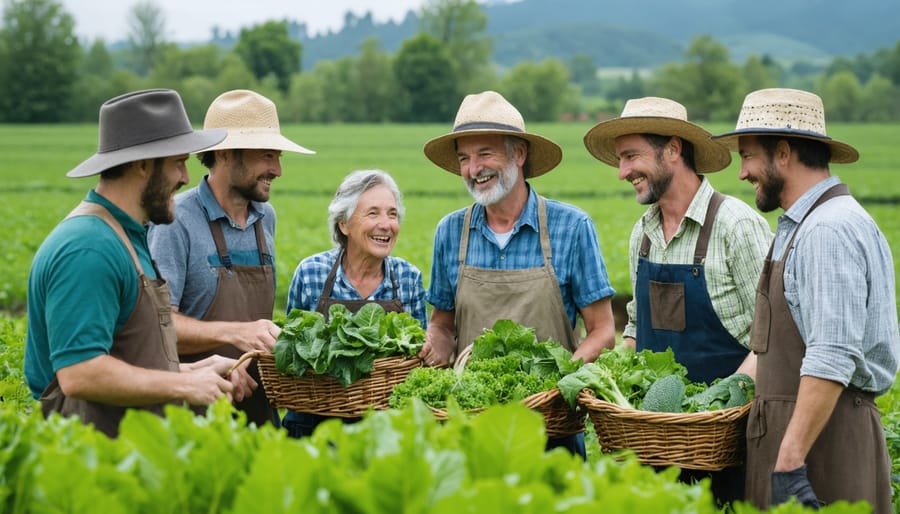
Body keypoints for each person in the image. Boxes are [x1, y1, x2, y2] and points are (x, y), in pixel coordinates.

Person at [24, 89, 257, 438]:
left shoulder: (127, 234)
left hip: (125, 451)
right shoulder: (89, 247)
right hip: (90, 460)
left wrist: (191, 371)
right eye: (178, 162)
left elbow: (128, 356)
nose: (184, 176)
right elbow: (81, 372)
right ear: (143, 165)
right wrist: (182, 387)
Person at [712, 88, 899, 513]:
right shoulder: (806, 225)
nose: (741, 173)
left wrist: (790, 463)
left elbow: (832, 355)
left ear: (782, 153)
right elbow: (775, 346)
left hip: (824, 449)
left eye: (747, 156)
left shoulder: (827, 232)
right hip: (799, 439)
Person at [582, 96, 773, 504]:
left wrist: (713, 409)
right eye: (619, 159)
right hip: (654, 444)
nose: (622, 172)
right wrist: (616, 388)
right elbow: (635, 328)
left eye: (631, 156)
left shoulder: (736, 226)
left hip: (727, 443)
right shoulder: (643, 234)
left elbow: (773, 339)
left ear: (673, 149)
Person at [419, 90, 617, 458]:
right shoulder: (451, 232)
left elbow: (603, 332)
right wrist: (433, 349)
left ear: (519, 155)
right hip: (470, 426)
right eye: (464, 158)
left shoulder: (571, 227)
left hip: (553, 428)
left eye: (485, 154)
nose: (473, 168)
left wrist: (559, 378)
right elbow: (443, 325)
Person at [147, 89, 315, 427]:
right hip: (194, 411)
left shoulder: (266, 217)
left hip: (258, 405)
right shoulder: (175, 220)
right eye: (267, 156)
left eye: (278, 157)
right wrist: (234, 333)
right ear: (224, 153)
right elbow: (158, 325)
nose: (278, 170)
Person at [281, 169, 427, 438]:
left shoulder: (408, 278)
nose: (386, 224)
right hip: (314, 424)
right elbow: (290, 353)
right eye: (373, 213)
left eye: (392, 214)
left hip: (387, 427)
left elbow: (418, 363)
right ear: (344, 224)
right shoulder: (312, 273)